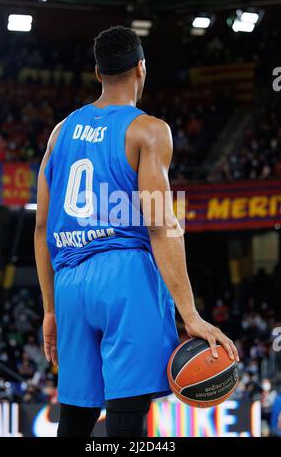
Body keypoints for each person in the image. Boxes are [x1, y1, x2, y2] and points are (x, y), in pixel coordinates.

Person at [34, 25, 239, 437]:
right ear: (141, 68)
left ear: (98, 72)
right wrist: (191, 315)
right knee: (127, 420)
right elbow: (162, 225)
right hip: (125, 279)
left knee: (74, 418)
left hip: (70, 282)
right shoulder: (148, 130)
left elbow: (41, 227)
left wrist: (51, 310)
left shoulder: (59, 133)